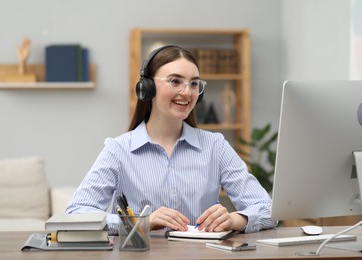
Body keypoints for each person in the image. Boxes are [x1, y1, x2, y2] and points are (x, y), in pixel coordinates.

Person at [66, 45, 277, 235]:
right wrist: (140, 222)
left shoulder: (215, 146)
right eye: (175, 81)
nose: (187, 92)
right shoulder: (118, 150)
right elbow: (77, 214)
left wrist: (234, 219)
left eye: (194, 84)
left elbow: (268, 209)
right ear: (147, 87)